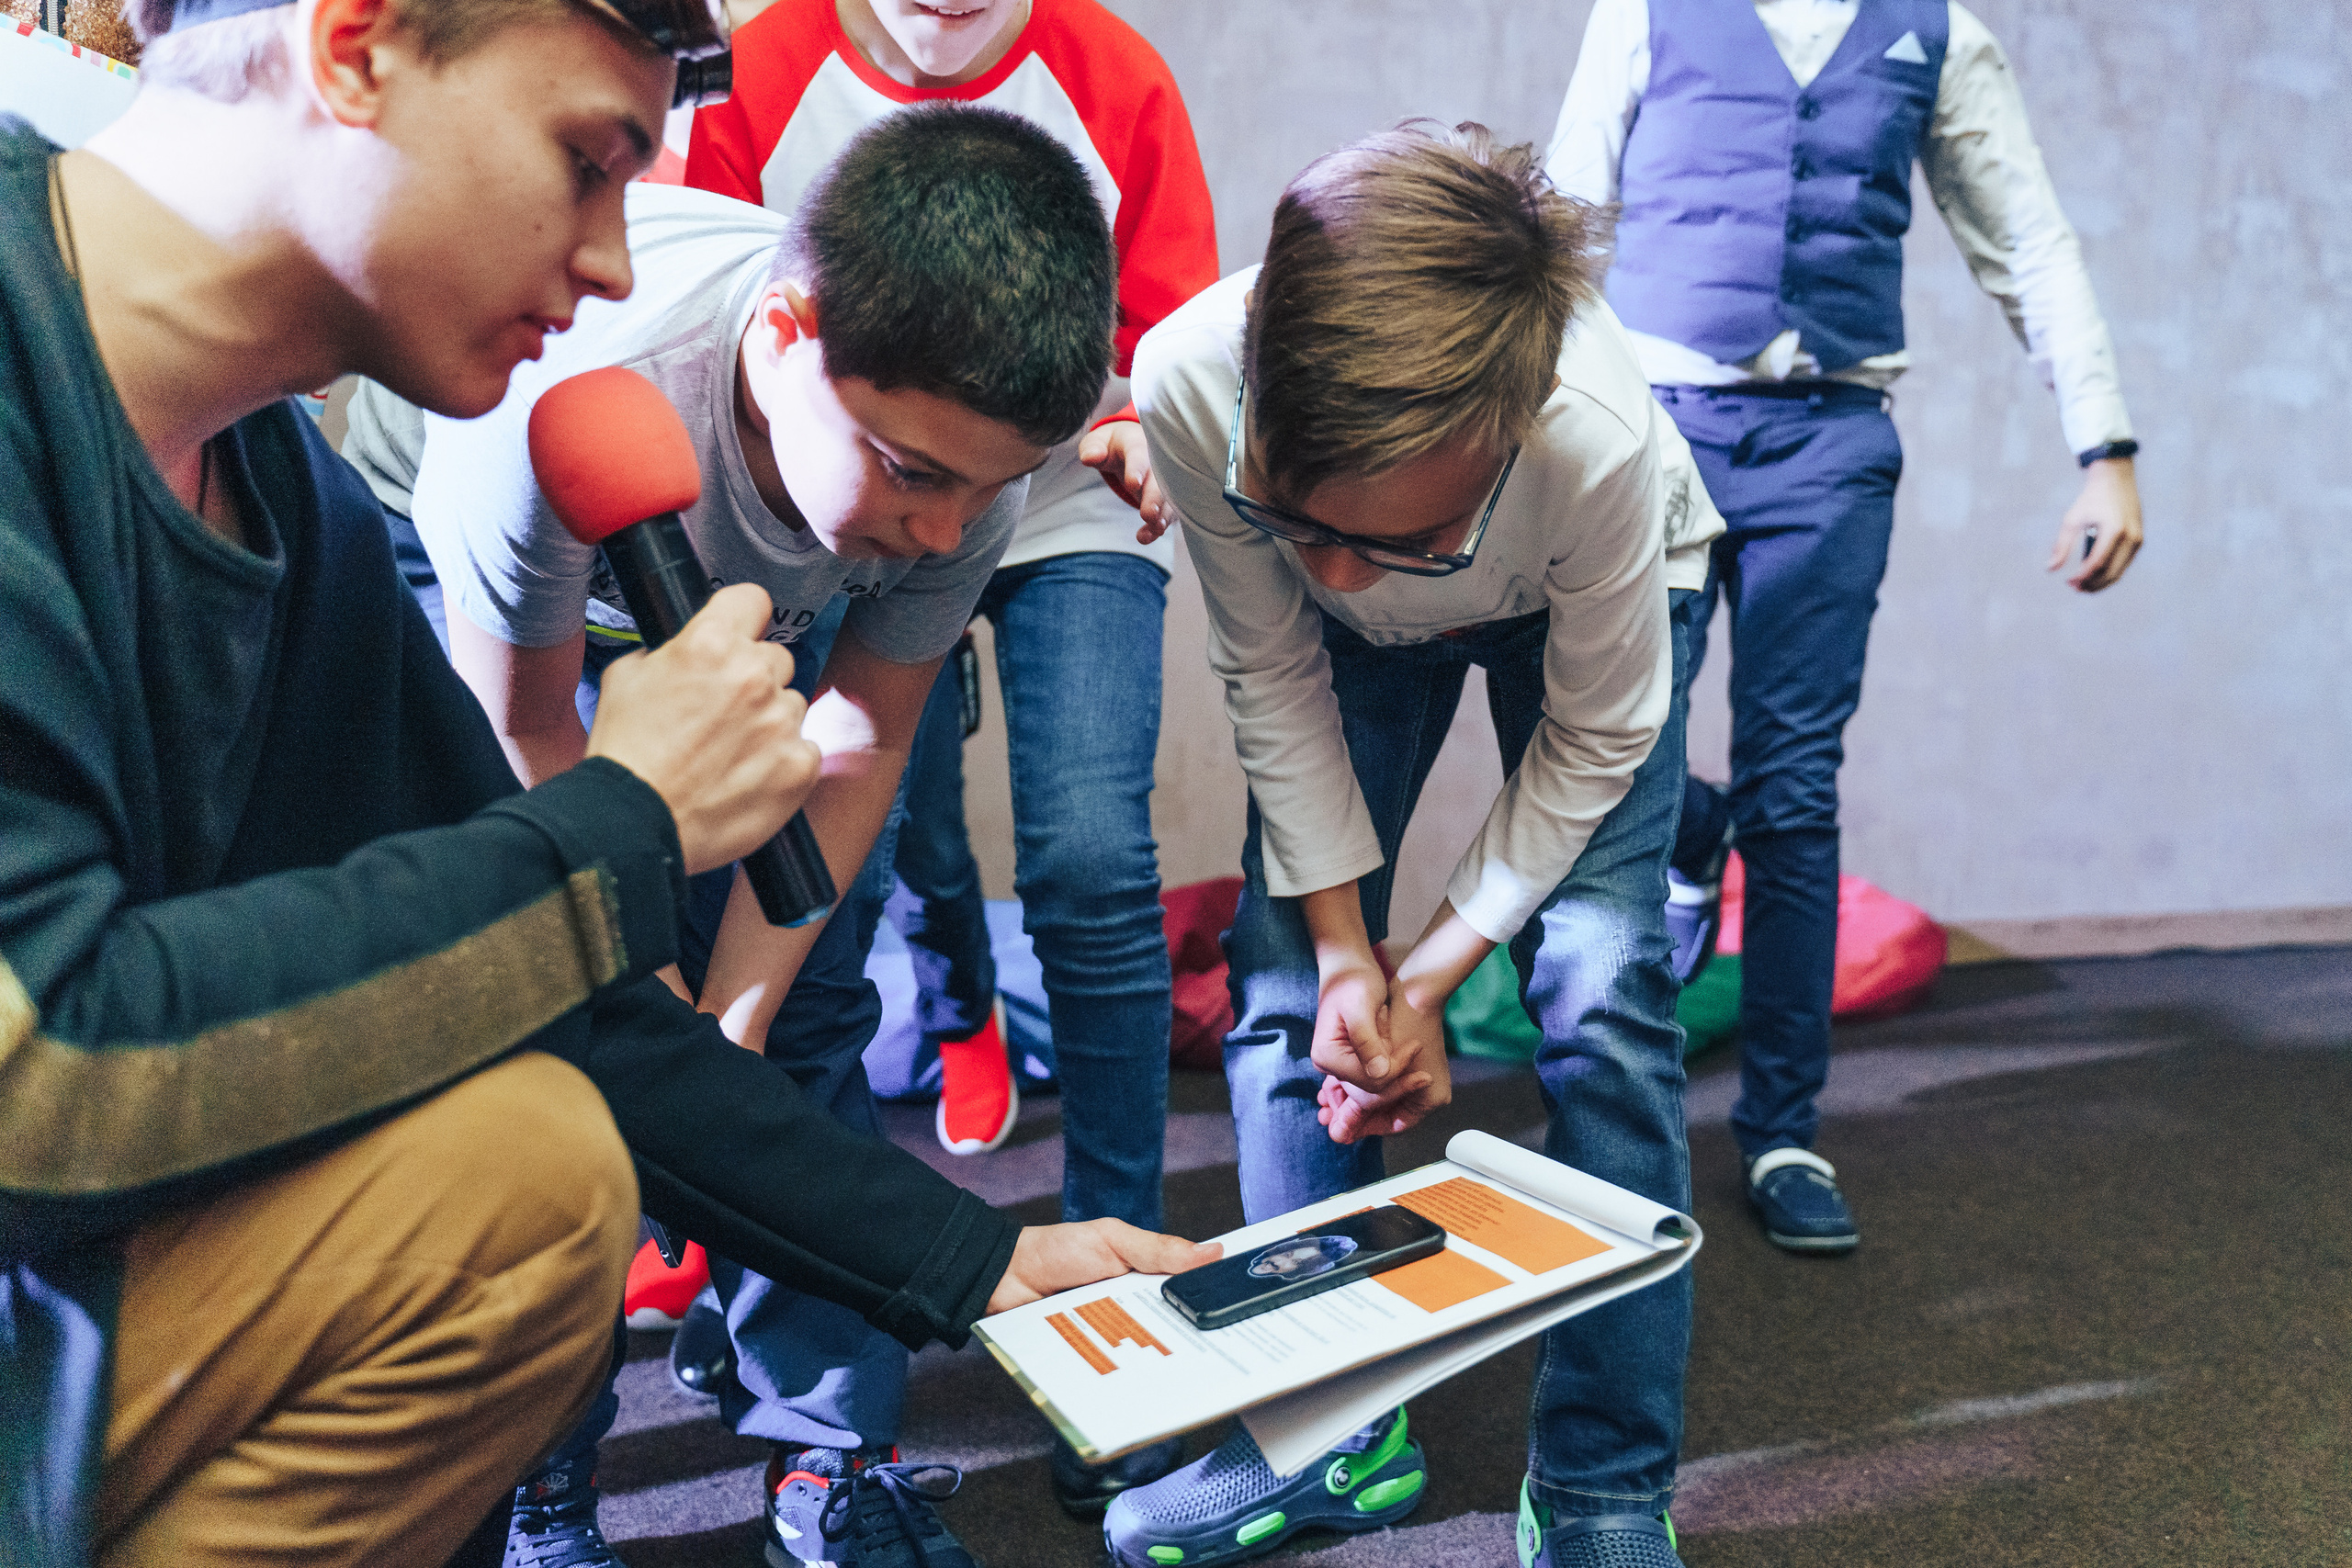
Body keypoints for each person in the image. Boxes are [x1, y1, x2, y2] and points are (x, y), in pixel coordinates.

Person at [0, 7, 1210, 1565]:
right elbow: (41, 1076)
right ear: (355, 44)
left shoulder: (294, 514)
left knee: (516, 1182)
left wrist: (973, 1257)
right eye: (586, 163)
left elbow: (564, 993)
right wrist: (622, 820)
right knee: (528, 1182)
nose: (615, 265)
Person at [348, 101, 1127, 1568]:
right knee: (539, 1034)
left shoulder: (951, 471)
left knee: (816, 1002)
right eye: (914, 471)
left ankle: (832, 1457)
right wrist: (640, 1008)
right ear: (784, 336)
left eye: (984, 489)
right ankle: (540, 1478)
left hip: (744, 567)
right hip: (482, 577)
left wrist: (734, 1020)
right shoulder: (550, 401)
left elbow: (868, 733)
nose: (953, 531)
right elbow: (532, 746)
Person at [1095, 124, 1724, 1568]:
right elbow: (1274, 666)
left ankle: (1603, 1487)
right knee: (1279, 1008)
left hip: (1583, 616)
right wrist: (1340, 959)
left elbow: (1594, 741)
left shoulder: (1594, 441)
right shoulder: (1196, 378)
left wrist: (1432, 972)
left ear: (1496, 448)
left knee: (1603, 994)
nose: (1333, 572)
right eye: (1295, 519)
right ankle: (1321, 1433)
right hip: (1345, 639)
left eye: (1388, 538)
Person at [678, 0, 1220, 1515]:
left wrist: (1112, 424)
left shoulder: (1113, 74)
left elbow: (1161, 341)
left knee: (1093, 858)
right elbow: (731, 315)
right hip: (847, 492)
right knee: (850, 885)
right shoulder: (769, 61)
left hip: (1054, 488)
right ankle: (797, 1257)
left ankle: (1116, 1289)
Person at [1547, 0, 2145, 1255]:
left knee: (1798, 788)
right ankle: (1610, 1120)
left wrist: (2106, 451)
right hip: (1655, 426)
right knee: (1618, 760)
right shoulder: (1648, 11)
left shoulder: (1937, 35)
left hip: (1832, 443)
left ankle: (1781, 1130)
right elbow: (1561, 218)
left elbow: (2027, 240)